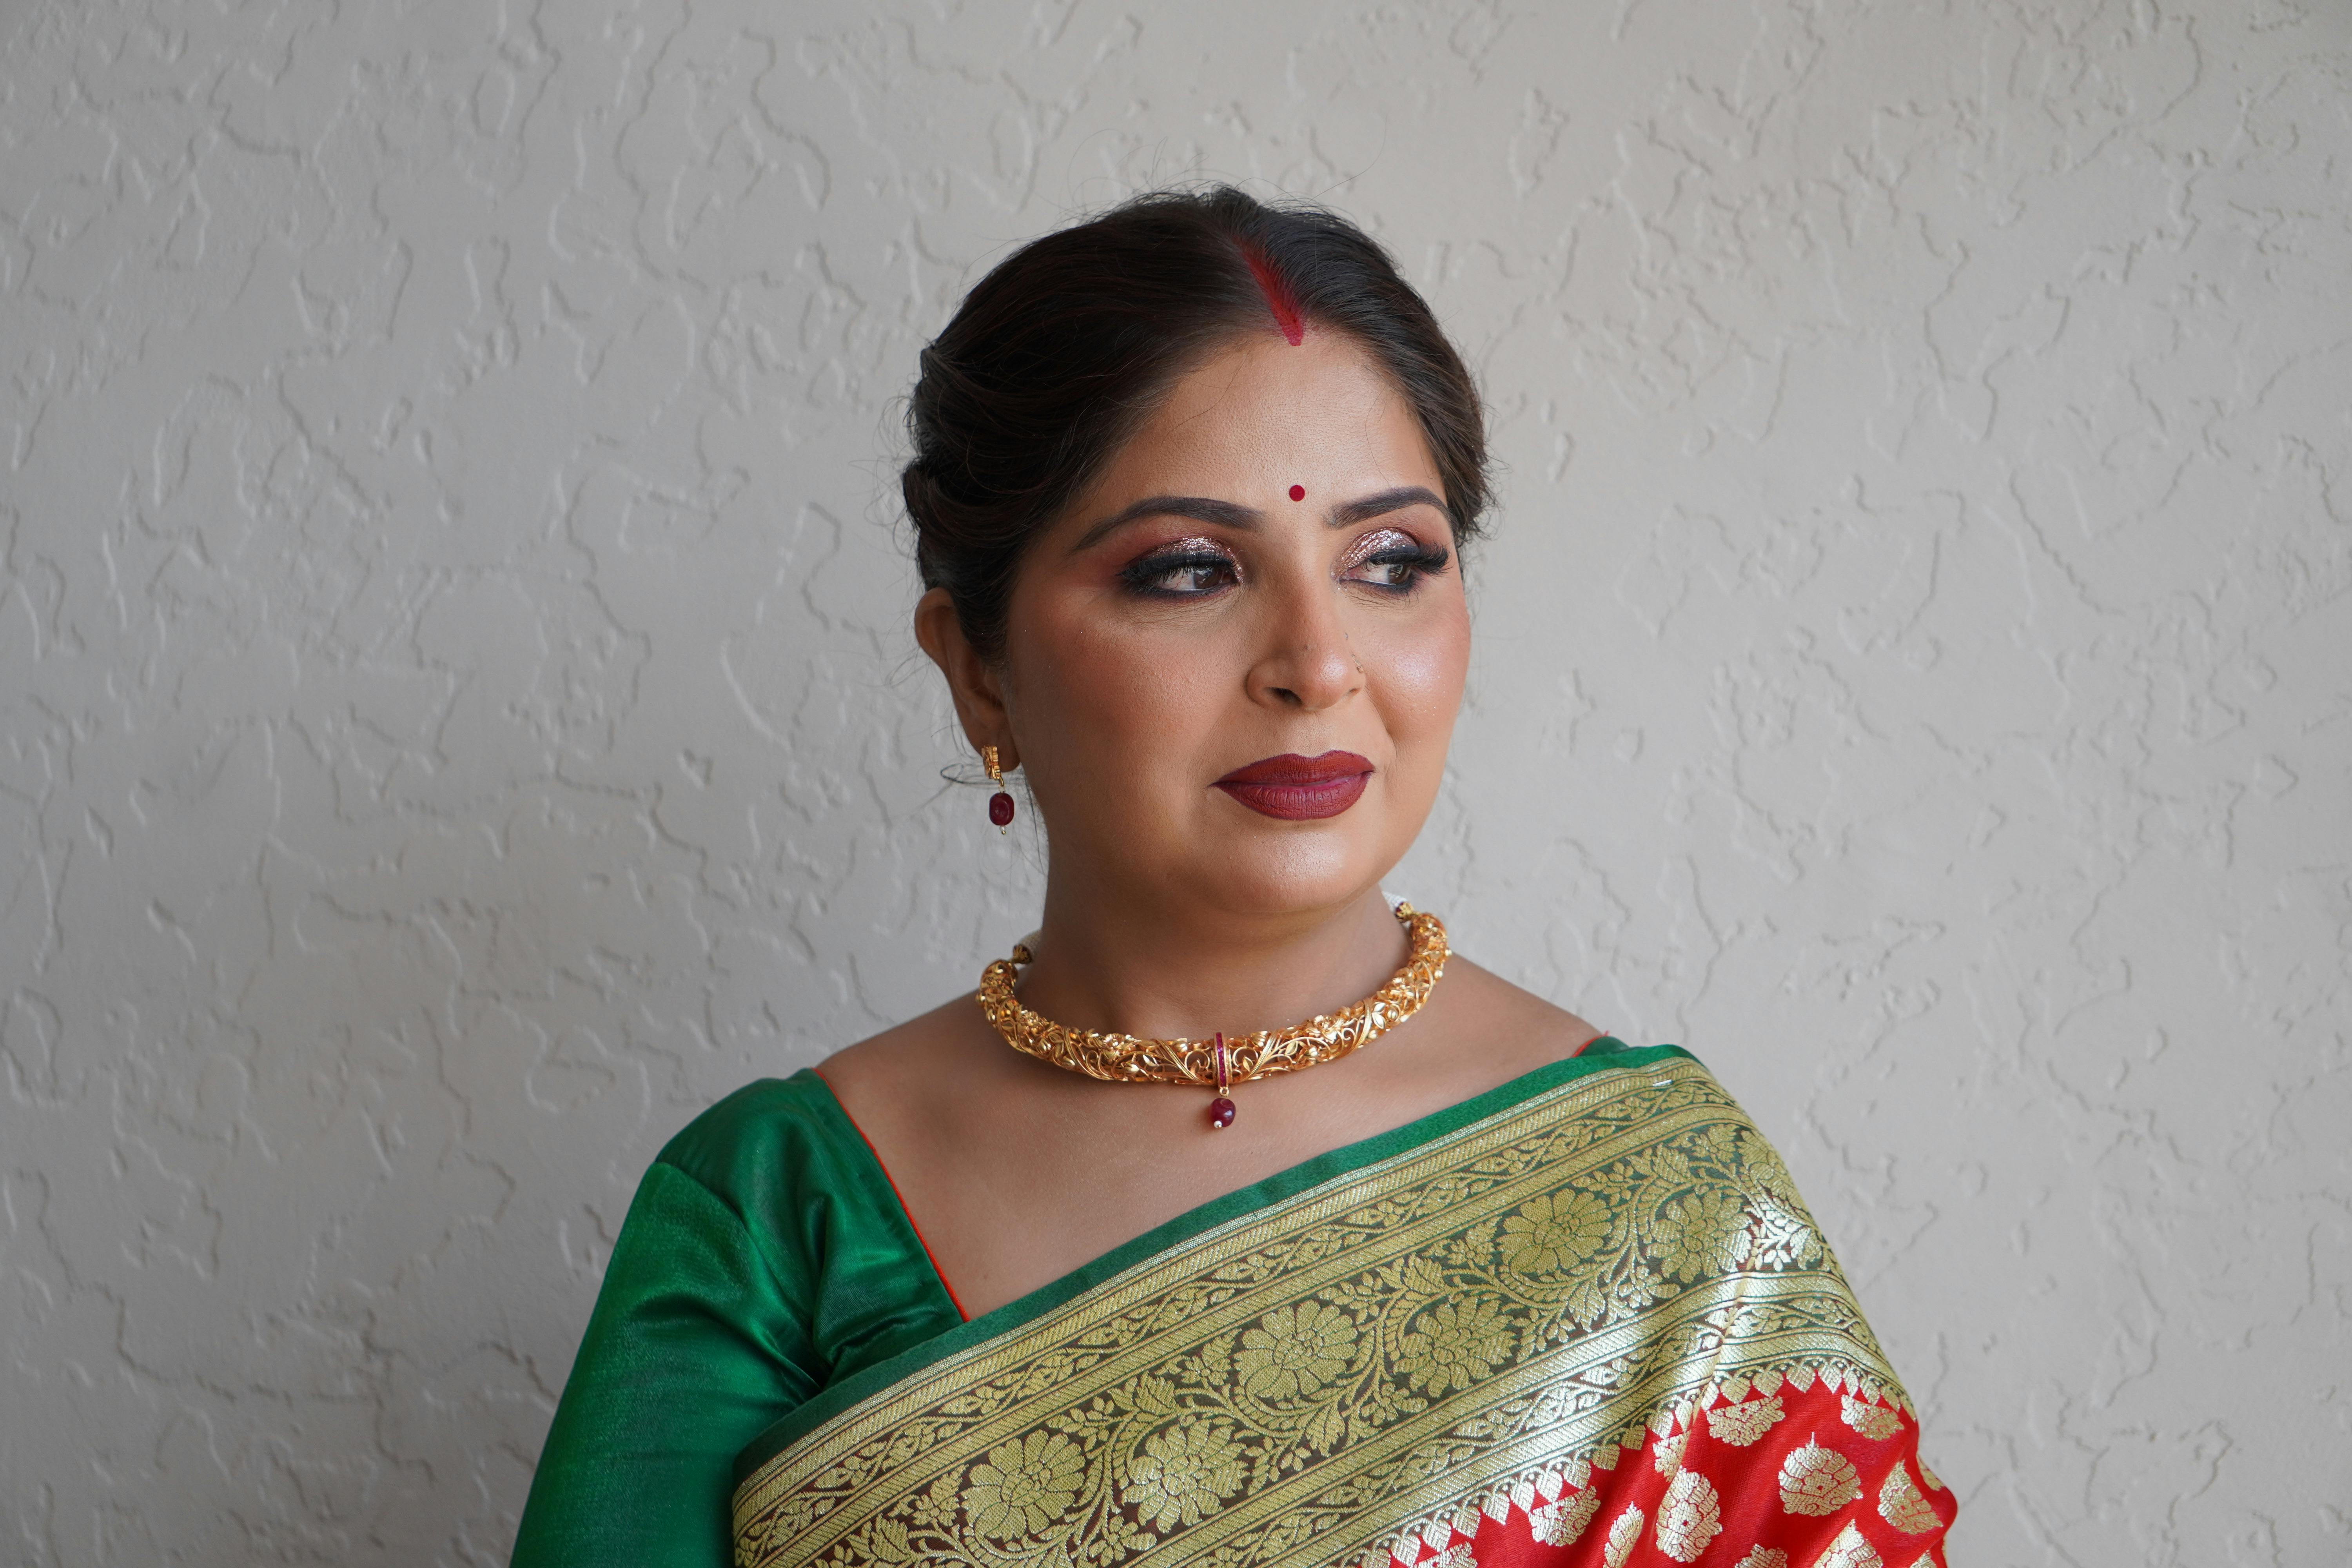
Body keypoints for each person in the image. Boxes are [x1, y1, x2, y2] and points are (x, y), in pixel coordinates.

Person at [509, 187, 1954, 1568]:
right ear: (977, 665)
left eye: (1392, 561)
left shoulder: (1662, 1207)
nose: (1318, 664)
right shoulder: (780, 1213)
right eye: (1192, 569)